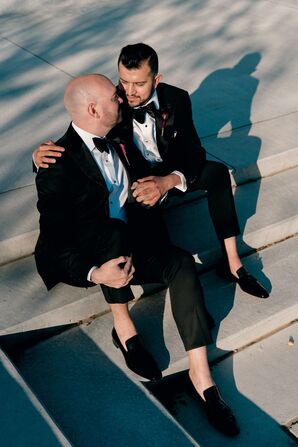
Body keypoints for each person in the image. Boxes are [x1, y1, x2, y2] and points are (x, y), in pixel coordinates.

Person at [34, 73, 239, 436]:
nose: (122, 97)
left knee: (181, 264)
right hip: (99, 255)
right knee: (112, 233)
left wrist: (165, 182)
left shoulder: (114, 131)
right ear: (94, 109)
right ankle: (123, 327)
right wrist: (95, 274)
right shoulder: (57, 163)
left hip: (138, 239)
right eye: (115, 95)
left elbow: (173, 146)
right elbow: (53, 241)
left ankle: (202, 378)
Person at [33, 43, 269, 299]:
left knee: (218, 172)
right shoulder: (114, 103)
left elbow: (194, 152)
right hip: (138, 183)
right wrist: (40, 159)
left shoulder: (176, 99)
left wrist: (169, 181)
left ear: (156, 80)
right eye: (123, 82)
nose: (129, 92)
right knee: (154, 242)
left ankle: (233, 262)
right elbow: (82, 133)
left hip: (170, 174)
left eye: (139, 84)